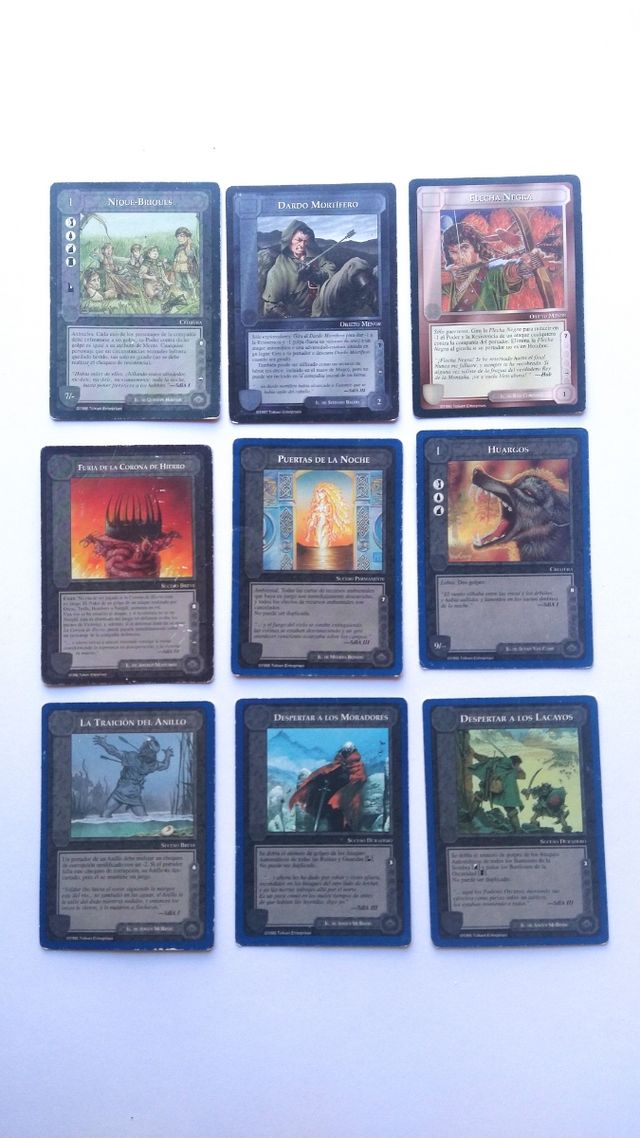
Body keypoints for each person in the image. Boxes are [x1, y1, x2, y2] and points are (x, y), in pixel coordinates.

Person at [441, 221, 550, 312]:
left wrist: (531, 261)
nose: (460, 256)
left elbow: (512, 271)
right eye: (453, 252)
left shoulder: (491, 270)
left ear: (476, 247)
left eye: (464, 248)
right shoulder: (452, 276)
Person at [262, 220, 336, 317]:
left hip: (322, 308)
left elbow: (331, 270)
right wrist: (288, 318)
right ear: (289, 240)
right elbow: (270, 306)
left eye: (306, 241)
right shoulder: (278, 270)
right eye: (298, 240)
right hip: (298, 316)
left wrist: (316, 276)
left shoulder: (315, 255)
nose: (302, 245)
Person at [288, 742, 367, 832]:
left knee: (344, 823)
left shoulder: (357, 766)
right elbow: (327, 772)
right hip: (330, 799)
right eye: (344, 752)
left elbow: (358, 779)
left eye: (347, 752)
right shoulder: (337, 764)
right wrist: (322, 780)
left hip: (347, 799)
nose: (345, 754)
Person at [94, 736, 172, 818]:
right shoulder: (152, 765)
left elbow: (114, 751)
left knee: (105, 814)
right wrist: (167, 755)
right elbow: (165, 765)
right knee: (143, 818)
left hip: (122, 791)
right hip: (133, 794)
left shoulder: (132, 757)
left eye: (144, 745)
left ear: (145, 749)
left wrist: (104, 744)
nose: (142, 745)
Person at [467, 751, 526, 832]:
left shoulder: (496, 761)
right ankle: (517, 830)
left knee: (478, 798)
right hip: (503, 793)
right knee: (511, 810)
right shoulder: (512, 770)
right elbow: (523, 776)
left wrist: (475, 754)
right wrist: (517, 768)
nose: (518, 766)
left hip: (488, 788)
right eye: (518, 765)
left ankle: (469, 817)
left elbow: (484, 759)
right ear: (516, 763)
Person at [173, 227, 198, 293]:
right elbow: (175, 258)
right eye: (177, 236)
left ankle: (193, 294)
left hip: (188, 269)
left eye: (182, 236)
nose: (179, 238)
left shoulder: (192, 246)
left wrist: (188, 245)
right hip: (178, 269)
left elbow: (190, 255)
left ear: (188, 237)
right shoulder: (178, 248)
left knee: (190, 283)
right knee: (179, 283)